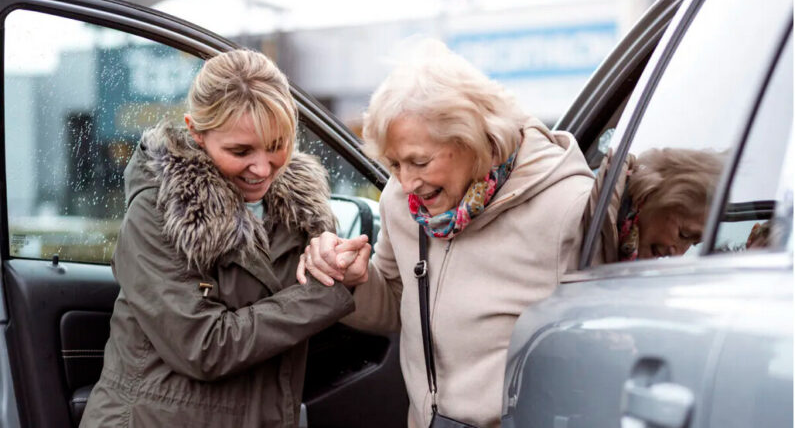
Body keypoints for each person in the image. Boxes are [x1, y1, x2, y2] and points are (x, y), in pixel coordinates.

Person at [297, 39, 594, 428]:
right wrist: (355, 281)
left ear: (474, 138)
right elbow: (397, 305)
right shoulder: (402, 202)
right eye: (394, 164)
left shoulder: (568, 207)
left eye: (419, 161)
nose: (405, 182)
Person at [80, 49, 354, 427]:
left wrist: (336, 260)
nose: (262, 168)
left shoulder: (302, 211)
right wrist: (325, 292)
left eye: (277, 146)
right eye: (239, 151)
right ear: (196, 132)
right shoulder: (157, 212)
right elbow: (205, 347)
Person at [585, 147, 725, 263]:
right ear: (652, 194)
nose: (678, 254)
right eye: (684, 234)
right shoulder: (578, 219)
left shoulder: (628, 255)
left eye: (693, 244)